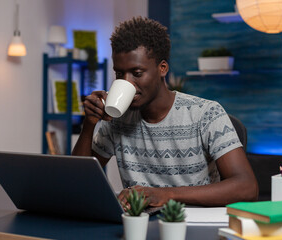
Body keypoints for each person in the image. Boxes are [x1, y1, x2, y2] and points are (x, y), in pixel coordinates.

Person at [72, 16, 258, 207]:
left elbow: (246, 187)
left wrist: (165, 194)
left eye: (136, 73)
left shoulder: (206, 114)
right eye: (120, 74)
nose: (126, 82)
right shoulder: (117, 118)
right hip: (138, 224)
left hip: (192, 225)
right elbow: (78, 181)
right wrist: (89, 124)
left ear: (162, 68)